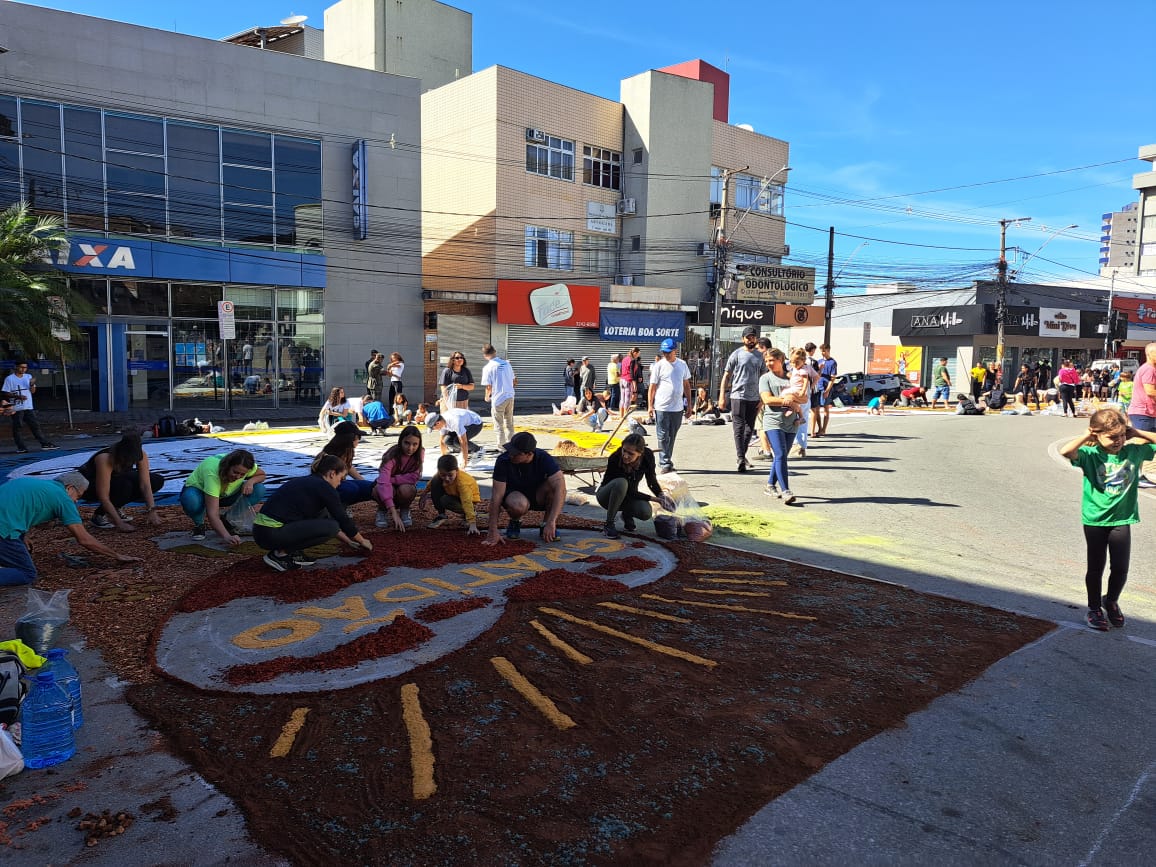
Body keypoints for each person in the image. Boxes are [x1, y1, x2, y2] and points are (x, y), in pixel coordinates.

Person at [1058, 408, 1156, 631]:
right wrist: (1087, 435)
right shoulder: (1090, 455)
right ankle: (1094, 609)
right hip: (1095, 519)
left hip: (1122, 519)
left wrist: (1137, 432)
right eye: (1112, 437)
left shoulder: (1133, 452)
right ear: (1097, 435)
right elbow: (1066, 451)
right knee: (1096, 567)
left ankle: (1110, 600)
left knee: (1121, 568)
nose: (1118, 441)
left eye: (1121, 435)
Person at [0, 472, 143, 585]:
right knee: (27, 574)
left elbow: (19, 505)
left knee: (20, 547)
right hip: (3, 529)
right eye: (78, 496)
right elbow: (84, 539)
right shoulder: (63, 498)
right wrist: (116, 555)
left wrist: (23, 534)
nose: (76, 501)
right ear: (69, 488)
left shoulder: (40, 485)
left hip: (5, 523)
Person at [254, 455, 374, 572]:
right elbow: (342, 519)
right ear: (332, 474)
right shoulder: (324, 487)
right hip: (271, 533)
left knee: (325, 518)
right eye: (341, 478)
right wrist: (362, 540)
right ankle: (280, 554)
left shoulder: (309, 481)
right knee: (332, 526)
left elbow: (324, 519)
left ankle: (290, 551)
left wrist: (348, 541)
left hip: (262, 531)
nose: (340, 483)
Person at [482, 431, 565, 545]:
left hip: (538, 494)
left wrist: (552, 521)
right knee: (518, 505)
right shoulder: (503, 461)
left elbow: (561, 488)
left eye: (516, 453)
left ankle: (545, 525)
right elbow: (496, 496)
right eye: (510, 451)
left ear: (529, 454)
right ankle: (515, 521)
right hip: (514, 495)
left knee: (555, 487)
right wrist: (492, 529)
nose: (511, 455)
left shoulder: (544, 458)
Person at [76, 431, 164, 532]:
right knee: (125, 486)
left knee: (156, 480)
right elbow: (103, 495)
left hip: (115, 481)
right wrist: (119, 523)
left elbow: (145, 485)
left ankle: (116, 506)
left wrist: (152, 511)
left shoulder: (140, 454)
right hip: (88, 486)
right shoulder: (105, 458)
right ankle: (99, 515)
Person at [180, 449, 267, 544]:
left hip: (225, 493)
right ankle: (199, 524)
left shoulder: (246, 465)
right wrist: (226, 536)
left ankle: (228, 519)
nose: (238, 477)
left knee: (259, 488)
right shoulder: (212, 473)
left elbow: (262, 475)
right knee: (191, 500)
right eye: (235, 472)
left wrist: (250, 481)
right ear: (227, 466)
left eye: (242, 474)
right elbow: (212, 513)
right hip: (200, 493)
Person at [596, 433, 673, 539]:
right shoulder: (615, 458)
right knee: (621, 483)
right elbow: (628, 491)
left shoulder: (647, 456)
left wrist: (661, 496)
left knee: (645, 512)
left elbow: (651, 480)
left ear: (640, 453)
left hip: (629, 496)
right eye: (624, 450)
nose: (625, 455)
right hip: (607, 497)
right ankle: (609, 524)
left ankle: (627, 514)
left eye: (630, 454)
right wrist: (656, 499)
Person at [717, 326, 765, 473]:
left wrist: (763, 398)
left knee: (749, 429)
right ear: (743, 339)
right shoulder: (736, 354)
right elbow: (726, 376)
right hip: (737, 396)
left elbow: (764, 378)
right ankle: (740, 458)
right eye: (748, 337)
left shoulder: (760, 356)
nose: (750, 340)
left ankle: (741, 456)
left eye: (753, 337)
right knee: (739, 428)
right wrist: (721, 396)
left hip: (754, 397)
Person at [759, 348, 799, 504]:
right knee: (780, 454)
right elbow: (767, 399)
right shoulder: (765, 378)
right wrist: (787, 401)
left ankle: (770, 485)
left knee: (781, 457)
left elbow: (803, 396)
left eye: (772, 360)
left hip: (791, 422)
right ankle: (786, 490)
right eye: (766, 361)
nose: (768, 363)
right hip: (773, 422)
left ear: (781, 360)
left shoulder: (791, 377)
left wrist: (796, 402)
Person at [648, 338, 692, 475]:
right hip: (662, 407)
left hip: (677, 408)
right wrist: (650, 406)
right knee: (662, 436)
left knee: (671, 436)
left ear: (675, 351)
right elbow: (652, 387)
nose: (666, 355)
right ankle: (665, 463)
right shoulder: (659, 366)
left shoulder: (682, 365)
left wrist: (689, 405)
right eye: (664, 352)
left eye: (668, 352)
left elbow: (686, 385)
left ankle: (667, 460)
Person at [373, 425, 423, 530]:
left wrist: (392, 480)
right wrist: (393, 513)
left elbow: (414, 477)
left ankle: (405, 508)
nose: (410, 448)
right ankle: (382, 509)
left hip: (401, 486)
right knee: (378, 489)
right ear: (400, 441)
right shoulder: (391, 455)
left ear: (419, 444)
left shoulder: (420, 453)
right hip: (389, 487)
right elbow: (383, 481)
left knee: (407, 489)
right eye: (407, 443)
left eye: (415, 444)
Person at [314, 421, 374, 506]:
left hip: (340, 482)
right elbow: (327, 480)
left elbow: (349, 467)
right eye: (358, 437)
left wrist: (364, 481)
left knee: (370, 487)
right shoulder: (329, 455)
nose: (359, 440)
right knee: (351, 489)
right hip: (329, 485)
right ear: (350, 438)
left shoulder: (348, 450)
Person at [2, 361, 57, 453]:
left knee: (35, 425)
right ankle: (21, 447)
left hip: (28, 406)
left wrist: (31, 384)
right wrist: (17, 396)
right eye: (21, 367)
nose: (23, 369)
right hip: (17, 407)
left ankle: (45, 444)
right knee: (18, 427)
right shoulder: (10, 378)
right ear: (16, 367)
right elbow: (5, 392)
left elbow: (33, 391)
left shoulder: (28, 377)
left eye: (25, 367)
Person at [421, 454, 482, 534]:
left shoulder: (462, 483)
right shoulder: (439, 475)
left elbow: (467, 501)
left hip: (469, 500)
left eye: (450, 475)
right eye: (443, 475)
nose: (446, 478)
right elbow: (432, 483)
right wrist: (424, 494)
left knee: (445, 500)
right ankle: (441, 515)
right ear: (439, 471)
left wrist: (472, 523)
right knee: (435, 481)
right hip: (454, 494)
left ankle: (471, 513)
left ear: (456, 470)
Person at [1128, 342, 1156, 488]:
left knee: (1146, 443)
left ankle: (1136, 474)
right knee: (1141, 442)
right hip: (1143, 412)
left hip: (1149, 412)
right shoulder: (1149, 369)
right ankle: (1134, 475)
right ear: (1149, 354)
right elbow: (1150, 391)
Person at [481, 344, 517, 449]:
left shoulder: (487, 368)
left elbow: (488, 386)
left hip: (498, 398)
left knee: (498, 425)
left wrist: (487, 397)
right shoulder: (507, 364)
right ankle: (512, 446)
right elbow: (514, 380)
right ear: (495, 352)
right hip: (510, 396)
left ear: (485, 356)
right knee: (509, 422)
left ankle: (502, 447)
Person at [790, 342, 820, 458]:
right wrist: (810, 388)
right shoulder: (807, 367)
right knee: (802, 421)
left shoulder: (803, 369)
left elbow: (806, 381)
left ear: (803, 360)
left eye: (797, 362)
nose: (794, 364)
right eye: (793, 362)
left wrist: (807, 389)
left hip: (799, 397)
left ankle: (798, 446)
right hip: (804, 397)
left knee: (796, 421)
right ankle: (801, 446)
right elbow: (817, 377)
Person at [814, 344, 838, 436]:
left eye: (824, 351)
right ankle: (819, 428)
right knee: (816, 409)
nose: (822, 353)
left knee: (825, 408)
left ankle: (824, 429)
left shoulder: (832, 362)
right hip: (818, 387)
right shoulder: (819, 361)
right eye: (821, 351)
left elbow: (832, 378)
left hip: (826, 387)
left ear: (828, 350)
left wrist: (827, 391)